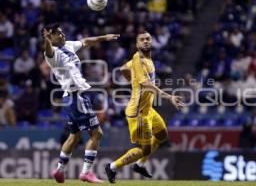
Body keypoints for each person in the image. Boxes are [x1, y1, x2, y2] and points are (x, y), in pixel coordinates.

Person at [42, 23, 119, 183]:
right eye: (57, 34)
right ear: (51, 37)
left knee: (74, 135)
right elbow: (48, 50)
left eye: (62, 32)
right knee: (97, 134)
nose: (62, 35)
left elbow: (86, 41)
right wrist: (47, 40)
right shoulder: (52, 54)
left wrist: (105, 37)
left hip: (69, 97)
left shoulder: (69, 45)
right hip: (76, 96)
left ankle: (59, 170)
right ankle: (86, 172)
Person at [105, 31, 184, 183]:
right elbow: (147, 85)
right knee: (144, 150)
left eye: (148, 39)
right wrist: (169, 97)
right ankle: (112, 166)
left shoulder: (147, 59)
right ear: (137, 44)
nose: (146, 41)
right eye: (142, 40)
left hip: (148, 110)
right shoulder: (139, 59)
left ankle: (139, 165)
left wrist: (133, 83)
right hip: (139, 113)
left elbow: (122, 69)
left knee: (162, 135)